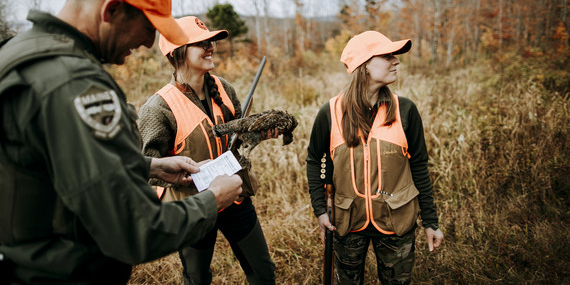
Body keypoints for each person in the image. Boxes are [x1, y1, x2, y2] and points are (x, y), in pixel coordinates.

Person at [0, 0, 243, 284]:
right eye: (147, 27)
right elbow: (134, 230)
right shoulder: (78, 86)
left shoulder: (21, 53)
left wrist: (149, 166)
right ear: (111, 10)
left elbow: (48, 161)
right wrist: (211, 200)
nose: (147, 44)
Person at [138, 15, 277, 285]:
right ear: (177, 52)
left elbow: (238, 143)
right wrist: (185, 169)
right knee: (197, 278)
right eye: (201, 43)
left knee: (263, 273)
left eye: (211, 40)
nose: (211, 46)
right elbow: (148, 167)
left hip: (235, 198)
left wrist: (258, 135)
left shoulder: (224, 89)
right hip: (193, 207)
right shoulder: (157, 108)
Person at [306, 30, 444, 284]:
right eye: (388, 56)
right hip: (347, 224)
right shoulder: (331, 112)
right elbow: (316, 160)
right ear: (364, 66)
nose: (396, 61)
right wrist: (320, 210)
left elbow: (420, 167)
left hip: (397, 223)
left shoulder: (405, 110)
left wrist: (430, 221)